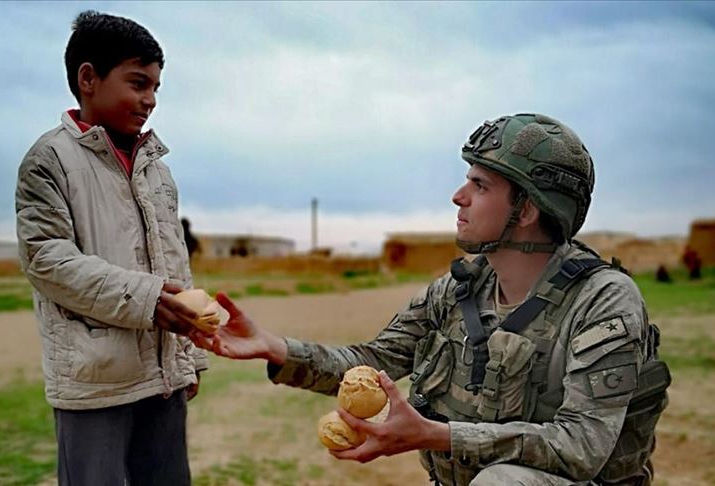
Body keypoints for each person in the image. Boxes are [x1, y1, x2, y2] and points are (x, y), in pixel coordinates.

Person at [202, 114, 670, 485]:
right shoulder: (461, 289)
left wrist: (435, 435)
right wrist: (272, 347)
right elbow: (374, 359)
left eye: (480, 186)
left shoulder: (603, 301)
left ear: (527, 210)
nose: (458, 197)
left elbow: (582, 445)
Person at [15, 11, 207, 485]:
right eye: (139, 83)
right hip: (95, 380)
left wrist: (191, 355)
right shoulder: (49, 160)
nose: (150, 100)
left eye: (157, 88)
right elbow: (48, 259)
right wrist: (147, 300)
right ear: (88, 79)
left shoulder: (156, 167)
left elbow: (175, 260)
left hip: (163, 379)